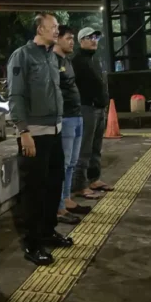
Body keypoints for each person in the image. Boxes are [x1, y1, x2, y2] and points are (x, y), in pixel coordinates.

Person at [7, 12, 73, 267]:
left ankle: (47, 231)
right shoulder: (22, 56)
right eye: (53, 26)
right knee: (33, 191)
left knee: (53, 185)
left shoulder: (51, 56)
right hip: (34, 133)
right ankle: (32, 244)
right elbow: (16, 95)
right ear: (39, 28)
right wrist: (23, 131)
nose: (57, 30)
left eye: (57, 26)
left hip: (54, 130)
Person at [53, 25, 91, 224]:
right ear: (57, 38)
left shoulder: (67, 61)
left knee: (72, 163)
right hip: (65, 118)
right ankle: (59, 206)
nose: (72, 42)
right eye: (68, 38)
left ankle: (66, 199)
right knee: (64, 163)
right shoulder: (52, 61)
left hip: (76, 116)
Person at [72, 27, 114, 200]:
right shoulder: (76, 61)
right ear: (81, 40)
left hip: (99, 108)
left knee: (96, 148)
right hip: (86, 108)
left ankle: (94, 179)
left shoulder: (94, 59)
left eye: (96, 38)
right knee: (85, 149)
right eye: (90, 38)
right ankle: (80, 185)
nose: (94, 40)